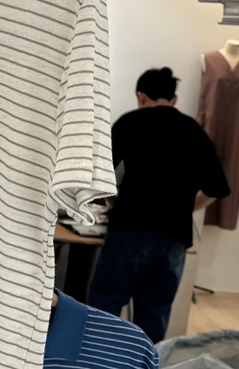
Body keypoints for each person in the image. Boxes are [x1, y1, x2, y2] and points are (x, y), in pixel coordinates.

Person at [88, 67, 230, 343]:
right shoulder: (194, 131)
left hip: (131, 228)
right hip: (174, 237)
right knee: (154, 314)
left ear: (141, 96)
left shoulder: (130, 122)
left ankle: (97, 364)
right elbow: (218, 189)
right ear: (174, 100)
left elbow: (99, 175)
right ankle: (146, 368)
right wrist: (187, 207)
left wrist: (112, 200)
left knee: (106, 304)